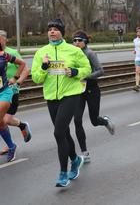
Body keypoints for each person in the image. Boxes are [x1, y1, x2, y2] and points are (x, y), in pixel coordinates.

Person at [31, 19, 91, 187]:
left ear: (62, 32)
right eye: (50, 29)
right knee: (63, 133)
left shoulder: (73, 51)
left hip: (71, 95)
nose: (52, 31)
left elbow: (88, 69)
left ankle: (63, 173)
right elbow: (36, 78)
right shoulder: (41, 53)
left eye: (56, 29)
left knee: (58, 133)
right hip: (51, 97)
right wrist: (43, 66)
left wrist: (75, 71)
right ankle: (75, 158)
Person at [72, 30, 115, 163]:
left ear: (85, 42)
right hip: (78, 91)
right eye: (74, 40)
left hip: (92, 90)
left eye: (80, 40)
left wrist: (86, 76)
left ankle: (105, 121)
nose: (77, 43)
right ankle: (85, 152)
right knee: (77, 120)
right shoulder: (71, 54)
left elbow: (101, 71)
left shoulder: (90, 54)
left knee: (94, 121)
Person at [0, 30, 31, 156]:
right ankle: (20, 128)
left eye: (0, 38)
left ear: (5, 39)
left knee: (4, 120)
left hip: (10, 90)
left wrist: (16, 82)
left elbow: (26, 69)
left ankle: (10, 144)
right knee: (3, 121)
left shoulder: (11, 53)